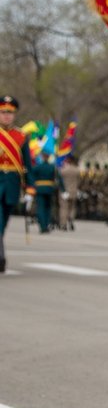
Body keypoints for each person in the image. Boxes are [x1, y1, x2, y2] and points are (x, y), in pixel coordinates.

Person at [0, 94, 24, 274]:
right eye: (3, 112)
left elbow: (28, 164)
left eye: (10, 112)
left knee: (4, 222)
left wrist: (30, 188)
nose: (7, 116)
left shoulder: (21, 136)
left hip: (12, 187)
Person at [29, 143, 59, 233]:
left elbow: (32, 176)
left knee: (40, 208)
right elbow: (56, 178)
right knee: (47, 208)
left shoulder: (38, 167)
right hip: (49, 188)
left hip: (39, 189)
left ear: (42, 157)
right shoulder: (52, 167)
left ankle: (42, 226)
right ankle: (46, 225)